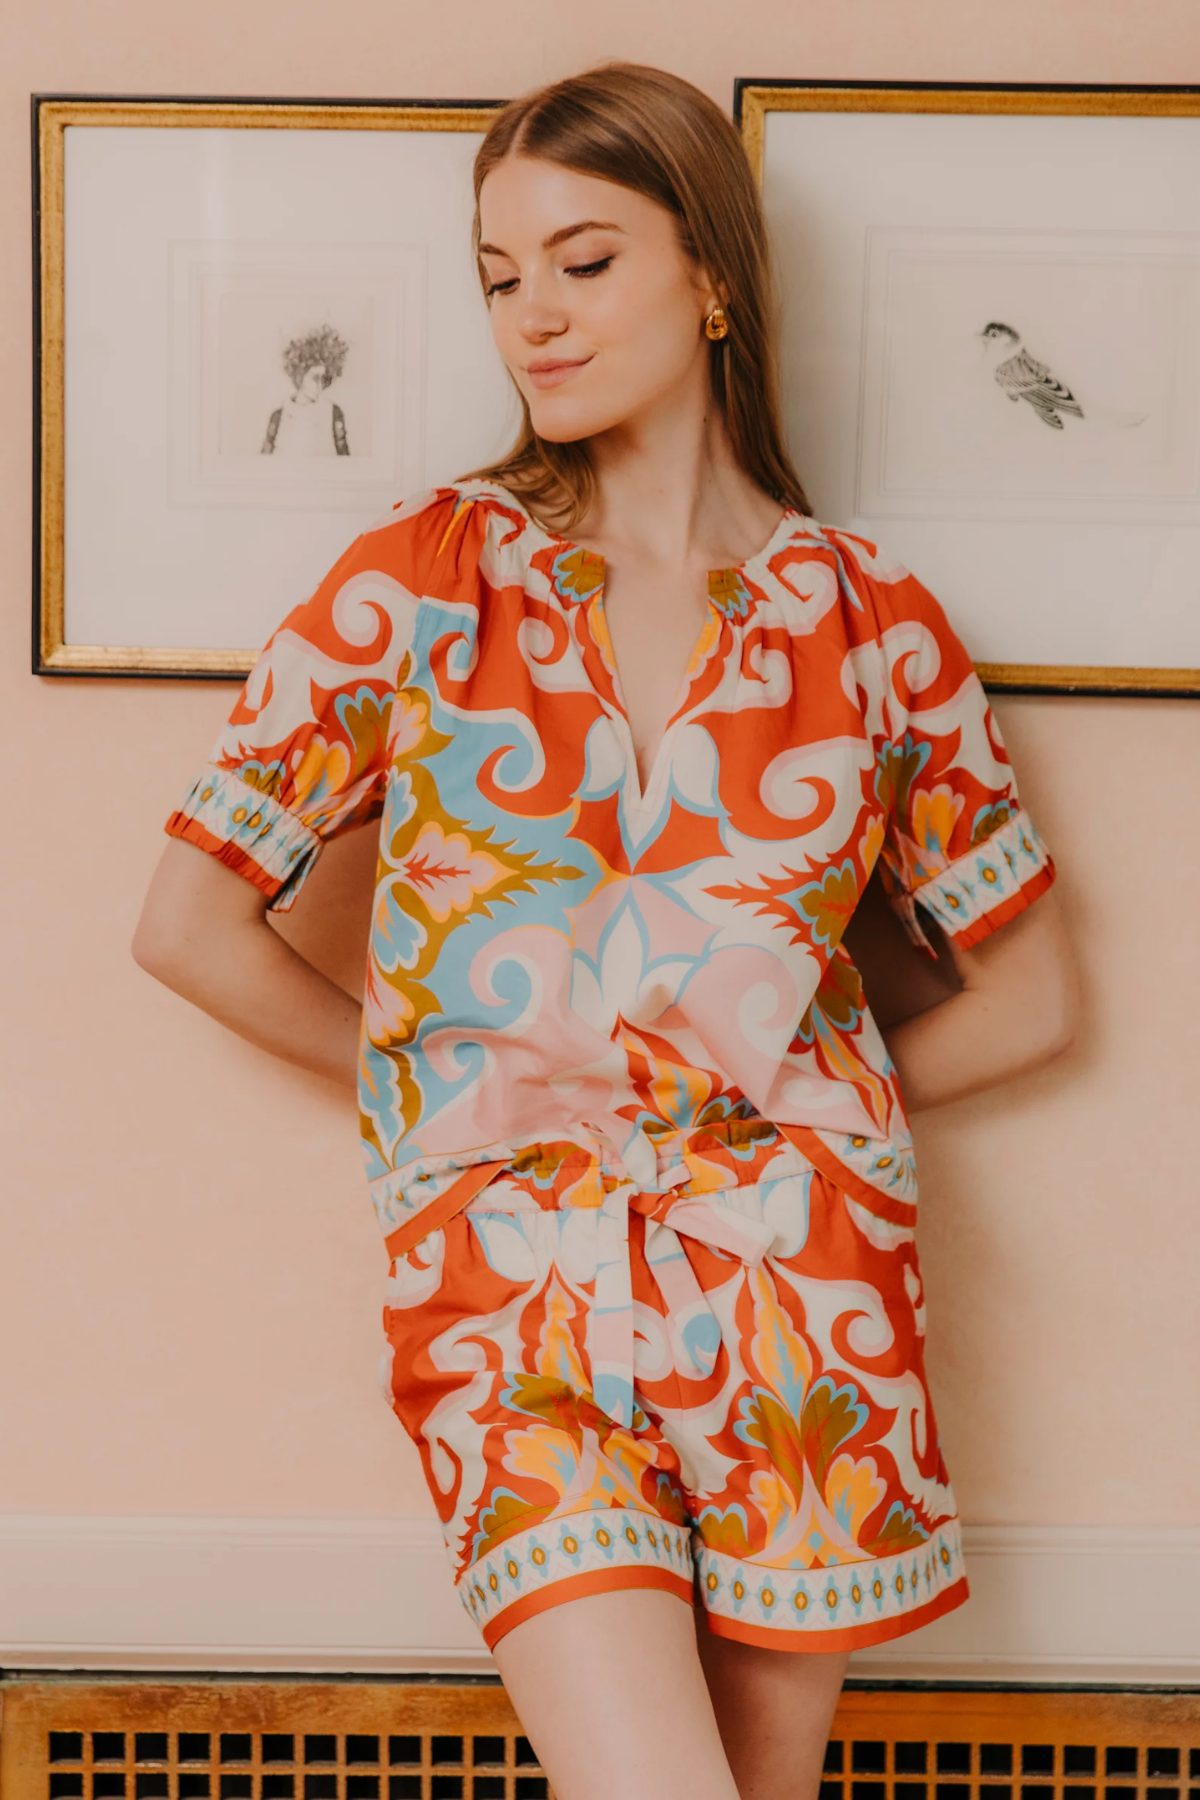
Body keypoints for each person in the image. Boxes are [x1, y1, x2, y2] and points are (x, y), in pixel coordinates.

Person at [133, 64, 1077, 1800]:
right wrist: (447, 1090)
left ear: (711, 274)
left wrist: (792, 1101)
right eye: (501, 277)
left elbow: (1031, 1001)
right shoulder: (422, 580)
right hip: (514, 1295)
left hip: (804, 1300)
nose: (534, 318)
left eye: (583, 262)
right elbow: (187, 924)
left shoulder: (875, 623)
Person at [261, 324, 351, 456]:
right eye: (315, 378)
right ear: (300, 375)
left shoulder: (333, 414)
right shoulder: (278, 417)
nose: (319, 385)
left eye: (323, 379)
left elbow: (346, 462)